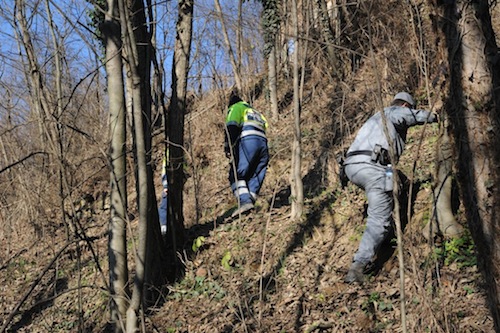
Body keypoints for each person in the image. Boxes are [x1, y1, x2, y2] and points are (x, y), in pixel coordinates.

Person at [343, 92, 438, 283]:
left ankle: (386, 234)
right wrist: (435, 116)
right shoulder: (395, 112)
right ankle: (358, 267)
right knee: (378, 218)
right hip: (373, 168)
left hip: (353, 167)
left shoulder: (376, 117)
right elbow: (409, 116)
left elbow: (389, 168)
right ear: (405, 106)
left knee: (394, 183)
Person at [224, 93, 269, 217]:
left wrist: (228, 146)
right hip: (263, 144)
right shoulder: (256, 112)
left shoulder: (236, 108)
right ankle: (250, 204)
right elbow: (265, 126)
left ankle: (245, 201)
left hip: (248, 142)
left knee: (236, 175)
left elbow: (232, 127)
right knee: (255, 173)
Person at [158, 155, 168, 235]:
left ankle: (164, 226)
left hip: (167, 184)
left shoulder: (167, 158)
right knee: (163, 208)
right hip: (166, 184)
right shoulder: (167, 157)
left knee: (163, 208)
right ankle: (164, 226)